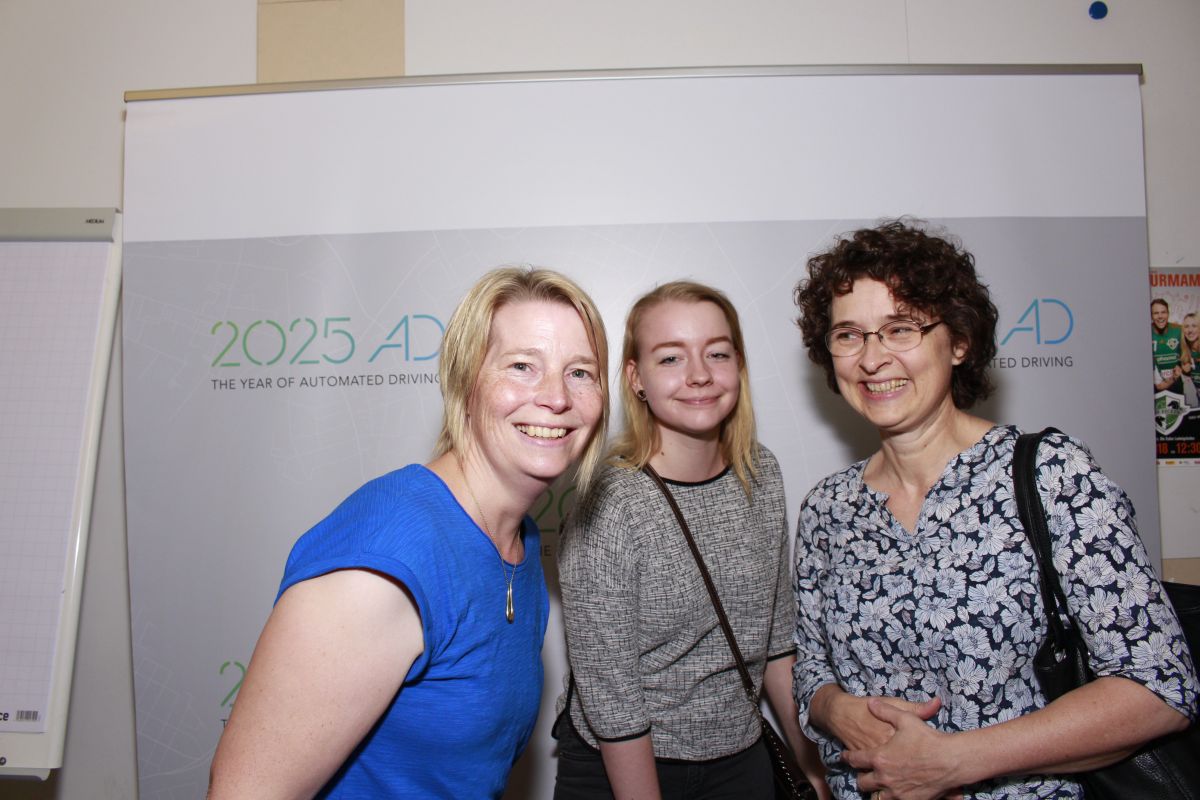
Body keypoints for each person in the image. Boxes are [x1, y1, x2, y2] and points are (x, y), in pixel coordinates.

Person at [792, 220, 1198, 800]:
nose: (872, 358)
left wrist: (954, 762)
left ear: (959, 341)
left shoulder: (1049, 475)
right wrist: (834, 708)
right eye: (849, 335)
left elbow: (1160, 687)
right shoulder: (828, 509)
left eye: (901, 328)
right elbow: (811, 668)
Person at [208, 267, 609, 799]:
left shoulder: (521, 541)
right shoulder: (388, 554)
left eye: (580, 372)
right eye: (521, 366)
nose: (556, 397)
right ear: (466, 382)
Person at [555, 281, 830, 800]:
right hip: (624, 765)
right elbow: (612, 699)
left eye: (717, 353)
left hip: (740, 760)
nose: (699, 374)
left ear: (739, 366)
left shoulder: (760, 473)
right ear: (636, 378)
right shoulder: (608, 501)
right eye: (671, 358)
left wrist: (812, 766)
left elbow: (777, 643)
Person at [1152, 297, 1191, 394]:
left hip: (1176, 385)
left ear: (1168, 314)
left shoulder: (1179, 330)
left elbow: (1187, 362)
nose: (1160, 316)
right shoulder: (1145, 332)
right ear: (1151, 315)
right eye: (1156, 313)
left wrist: (1185, 366)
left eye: (1163, 312)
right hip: (1153, 388)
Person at [1180, 312, 1200, 406]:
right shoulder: (1185, 353)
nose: (1190, 330)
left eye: (1194, 326)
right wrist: (1185, 373)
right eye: (1186, 326)